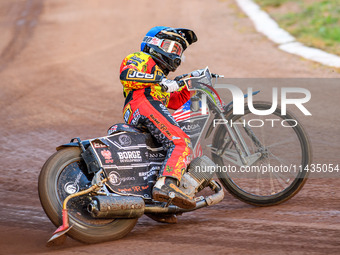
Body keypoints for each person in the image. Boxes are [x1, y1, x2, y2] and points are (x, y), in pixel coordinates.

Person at [119, 26, 198, 212]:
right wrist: (159, 80)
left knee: (160, 154)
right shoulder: (141, 58)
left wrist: (189, 82)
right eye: (170, 47)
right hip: (142, 102)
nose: (175, 54)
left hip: (145, 106)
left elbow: (175, 101)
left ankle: (161, 206)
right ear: (153, 44)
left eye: (178, 50)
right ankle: (166, 185)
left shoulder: (161, 81)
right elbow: (127, 75)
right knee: (181, 142)